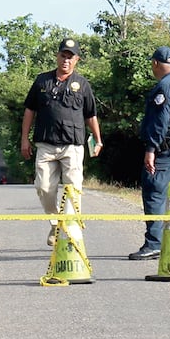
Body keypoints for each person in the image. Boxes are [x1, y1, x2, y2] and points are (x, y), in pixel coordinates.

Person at [20, 38, 103, 245]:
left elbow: (90, 115)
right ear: (57, 56)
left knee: (73, 188)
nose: (66, 60)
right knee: (44, 187)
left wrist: (98, 140)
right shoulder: (42, 81)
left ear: (77, 60)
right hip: (45, 145)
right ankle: (56, 224)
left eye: (71, 57)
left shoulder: (82, 84)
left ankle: (72, 232)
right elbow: (29, 110)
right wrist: (24, 139)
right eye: (63, 56)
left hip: (72, 145)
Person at [129, 46, 170, 260]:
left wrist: (151, 149)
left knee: (154, 188)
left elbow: (160, 121)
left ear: (155, 63)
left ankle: (155, 243)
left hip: (166, 146)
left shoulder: (164, 87)